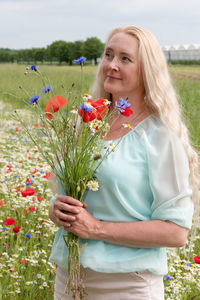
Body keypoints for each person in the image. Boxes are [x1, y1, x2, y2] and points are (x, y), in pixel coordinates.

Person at [48, 26, 199, 300]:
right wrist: (58, 210)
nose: (111, 65)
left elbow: (176, 232)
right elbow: (75, 201)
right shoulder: (86, 125)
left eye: (125, 59)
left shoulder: (160, 137)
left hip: (126, 285)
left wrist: (95, 228)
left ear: (146, 71)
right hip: (69, 277)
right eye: (108, 55)